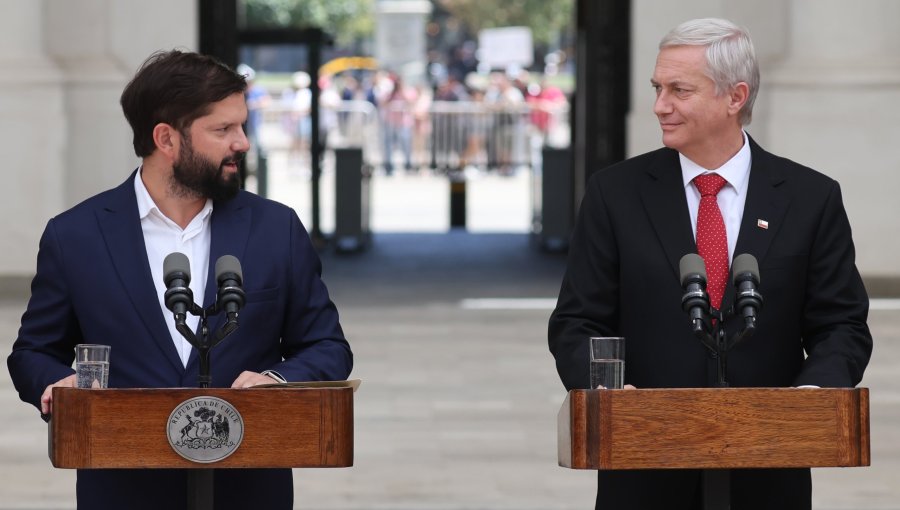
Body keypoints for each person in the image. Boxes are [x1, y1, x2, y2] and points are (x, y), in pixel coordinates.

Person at [548, 18, 872, 510]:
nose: (660, 105)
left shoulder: (811, 198)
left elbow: (841, 324)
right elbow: (576, 321)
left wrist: (810, 397)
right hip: (645, 466)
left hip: (767, 469)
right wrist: (613, 393)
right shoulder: (614, 194)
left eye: (679, 90)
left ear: (734, 96)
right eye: (658, 88)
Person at [6, 50, 353, 510]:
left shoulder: (276, 228)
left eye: (242, 126)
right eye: (223, 129)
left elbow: (329, 348)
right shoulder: (76, 236)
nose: (242, 142)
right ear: (166, 139)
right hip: (123, 488)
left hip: (247, 489)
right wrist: (56, 384)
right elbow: (32, 351)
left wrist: (278, 379)